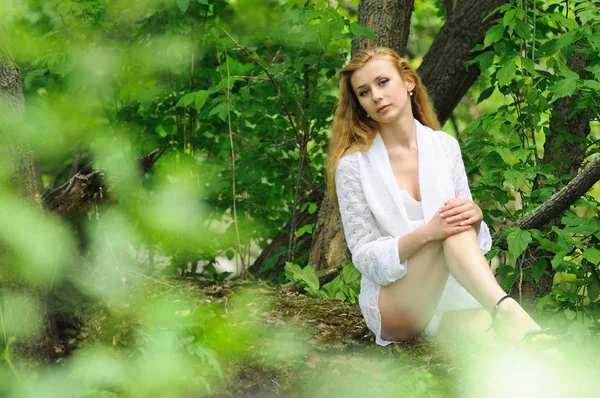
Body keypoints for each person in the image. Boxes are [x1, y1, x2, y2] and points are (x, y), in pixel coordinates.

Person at [327, 47, 551, 346]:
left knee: (526, 348)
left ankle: (513, 317)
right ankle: (507, 309)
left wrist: (475, 217)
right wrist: (427, 234)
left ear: (408, 81)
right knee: (448, 227)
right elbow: (365, 257)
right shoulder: (354, 165)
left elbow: (472, 240)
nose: (376, 96)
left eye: (383, 82)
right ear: (360, 104)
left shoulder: (444, 146)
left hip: (449, 294)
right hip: (395, 303)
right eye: (364, 92)